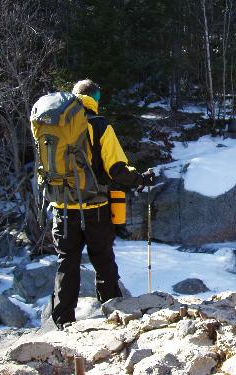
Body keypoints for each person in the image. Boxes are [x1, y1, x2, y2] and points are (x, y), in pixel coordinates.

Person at [49, 79, 154, 328]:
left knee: (67, 262)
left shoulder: (53, 124)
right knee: (103, 260)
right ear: (95, 99)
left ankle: (63, 323)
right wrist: (140, 179)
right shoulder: (99, 126)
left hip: (62, 208)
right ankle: (114, 317)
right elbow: (117, 169)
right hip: (95, 208)